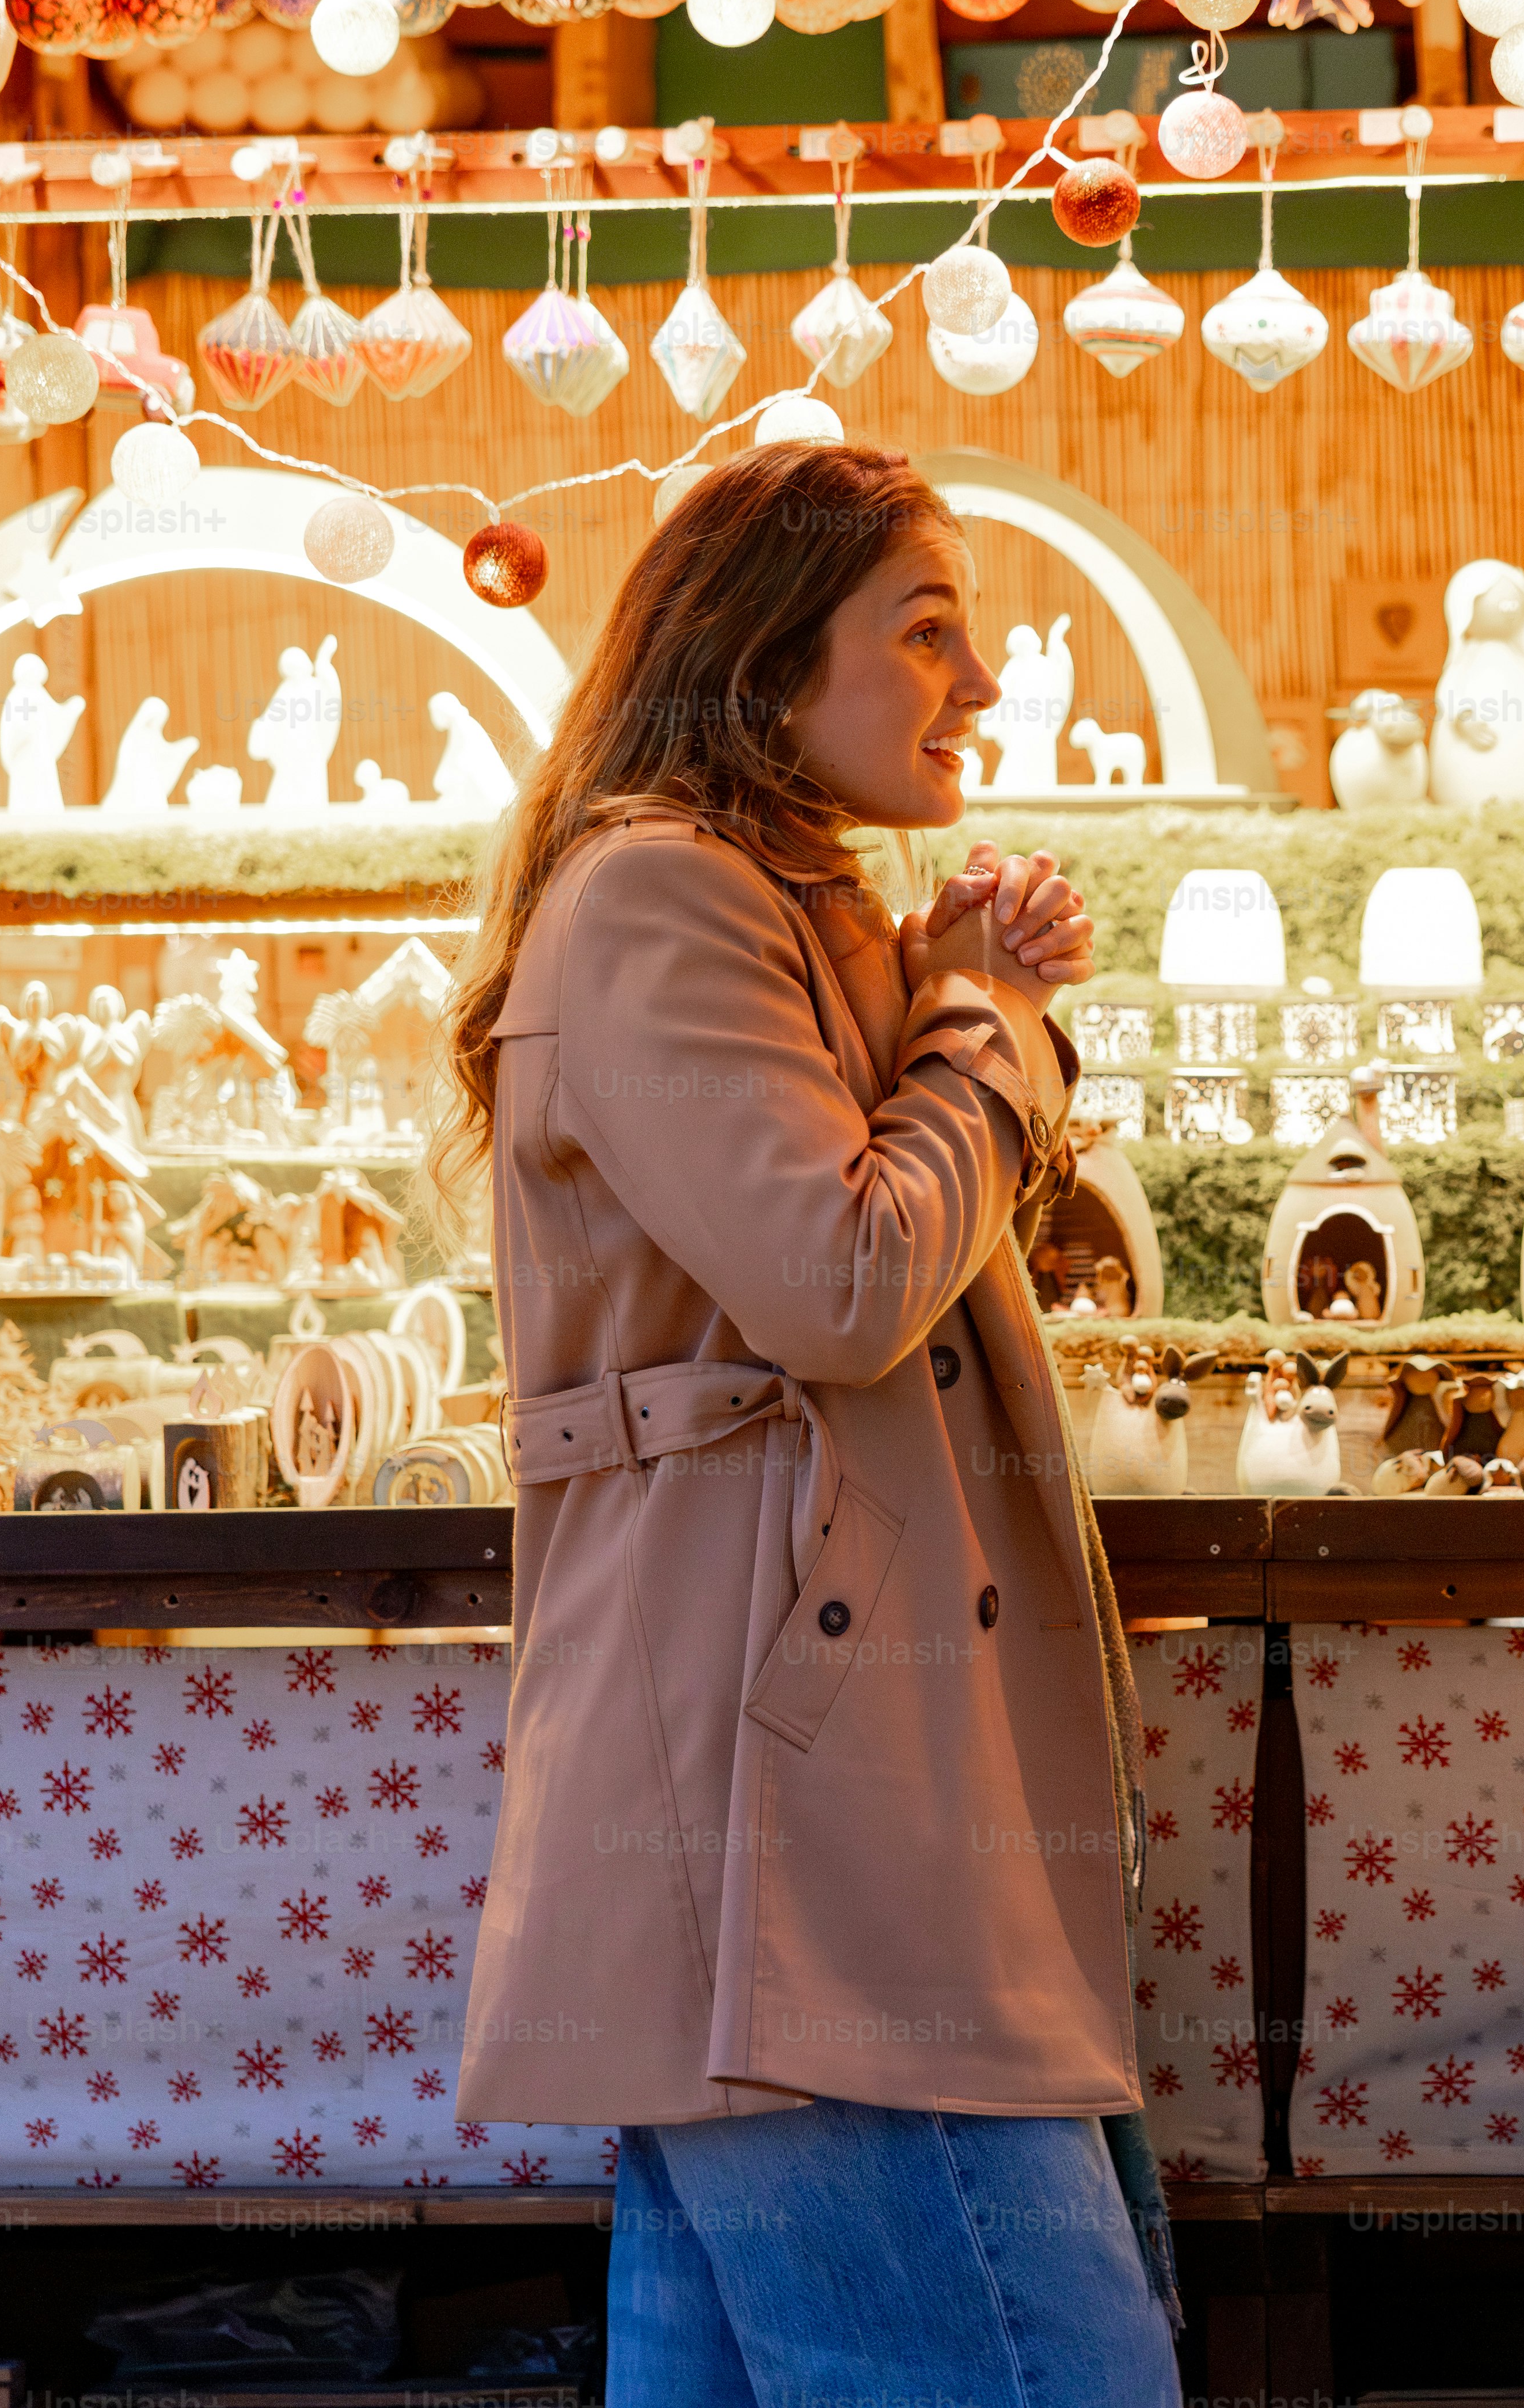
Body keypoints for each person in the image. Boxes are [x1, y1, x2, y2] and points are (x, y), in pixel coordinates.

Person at [432, 441, 1179, 2407]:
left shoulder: (784, 907)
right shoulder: (667, 899)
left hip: (812, 1822)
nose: (984, 684)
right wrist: (989, 1020)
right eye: (928, 631)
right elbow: (842, 1283)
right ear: (763, 664)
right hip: (804, 1841)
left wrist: (959, 998)